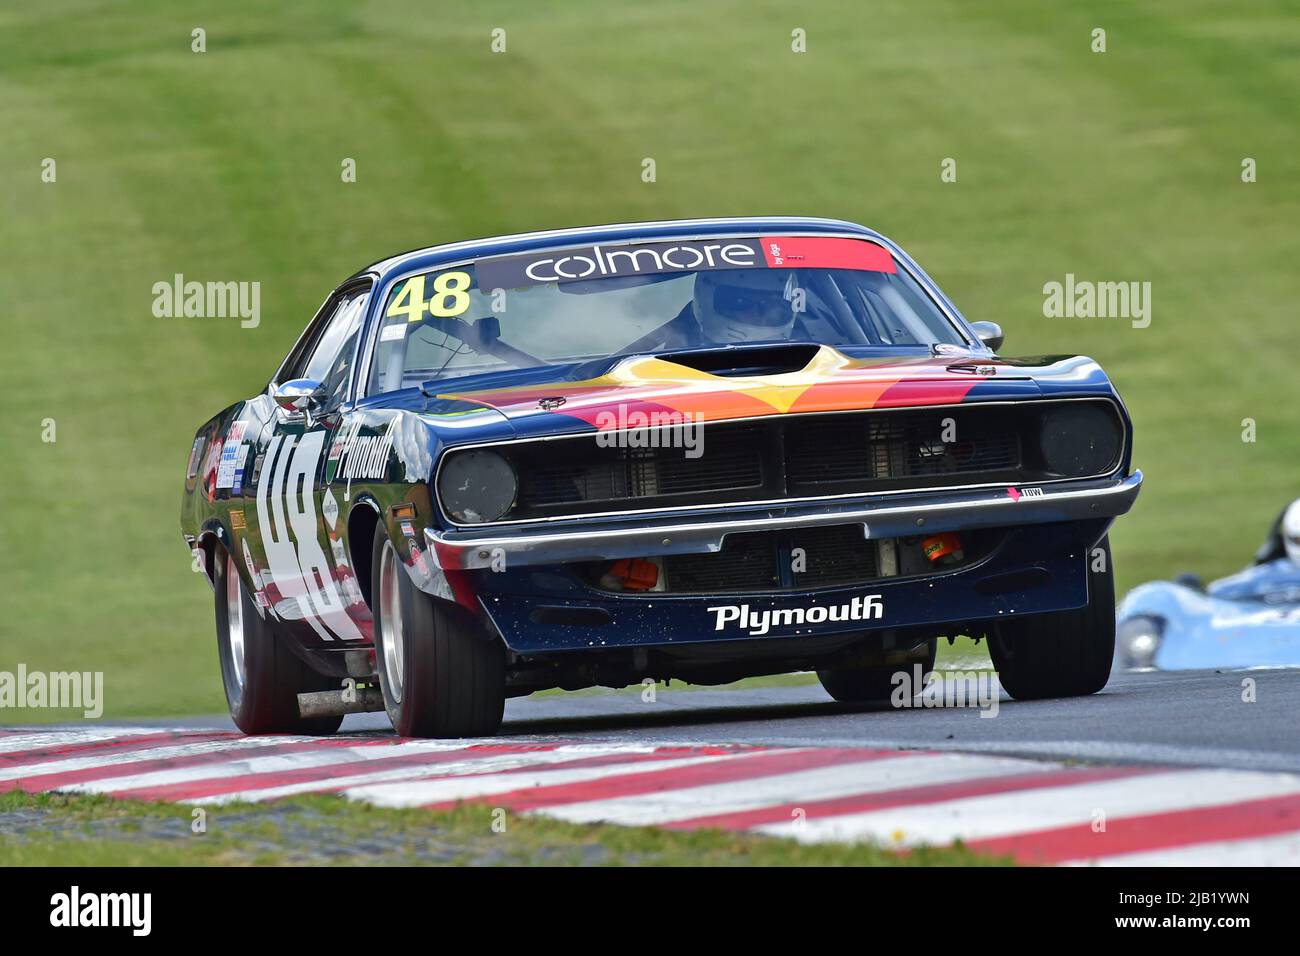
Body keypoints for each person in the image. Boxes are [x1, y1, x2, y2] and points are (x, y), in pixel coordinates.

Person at [632, 269, 800, 351]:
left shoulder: (816, 357)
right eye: (741, 302)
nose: (755, 315)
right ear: (706, 298)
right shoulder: (663, 365)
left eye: (770, 304)